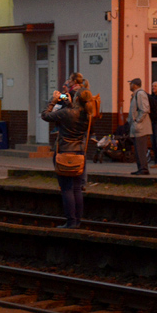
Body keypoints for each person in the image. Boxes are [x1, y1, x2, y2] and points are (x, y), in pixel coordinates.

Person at [42, 87, 94, 228]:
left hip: (64, 153)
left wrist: (53, 101)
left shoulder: (66, 113)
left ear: (76, 99)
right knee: (77, 189)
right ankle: (77, 221)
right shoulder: (88, 115)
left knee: (66, 189)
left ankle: (70, 221)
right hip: (79, 154)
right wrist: (70, 104)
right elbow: (74, 115)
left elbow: (45, 115)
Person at [128, 78, 151, 175]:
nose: (129, 86)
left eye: (131, 84)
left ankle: (143, 168)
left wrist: (138, 120)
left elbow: (144, 109)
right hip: (137, 126)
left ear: (135, 85)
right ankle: (141, 168)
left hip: (140, 127)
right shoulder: (136, 95)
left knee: (140, 148)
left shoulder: (140, 94)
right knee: (138, 149)